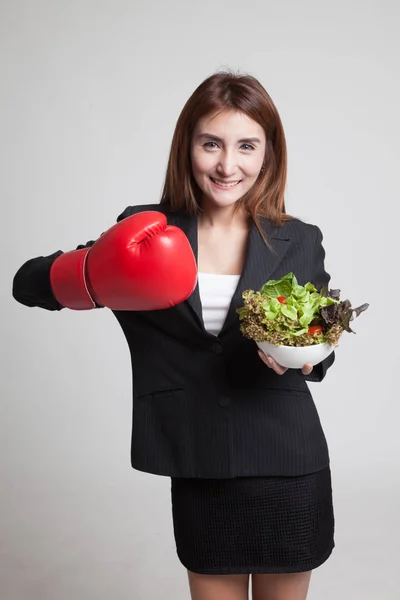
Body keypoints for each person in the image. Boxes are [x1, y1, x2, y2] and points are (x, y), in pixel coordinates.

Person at [12, 70, 336, 600]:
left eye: (246, 146)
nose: (228, 165)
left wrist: (308, 351)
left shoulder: (298, 238)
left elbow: (321, 335)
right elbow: (26, 284)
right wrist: (95, 270)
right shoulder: (143, 227)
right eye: (211, 143)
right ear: (187, 147)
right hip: (196, 456)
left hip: (287, 460)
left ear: (268, 154)